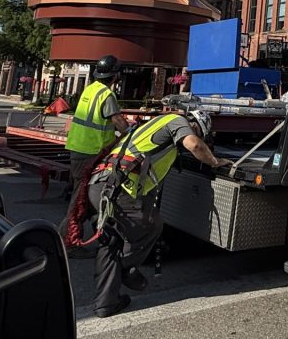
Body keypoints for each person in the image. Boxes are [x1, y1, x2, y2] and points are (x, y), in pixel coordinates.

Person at [87, 109, 230, 318]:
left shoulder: (152, 128)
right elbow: (195, 145)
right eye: (199, 132)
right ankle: (125, 269)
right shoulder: (177, 121)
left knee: (112, 241)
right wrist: (215, 161)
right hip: (116, 189)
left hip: (100, 185)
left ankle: (106, 302)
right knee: (151, 224)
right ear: (196, 125)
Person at [60, 55, 129, 250]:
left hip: (78, 148)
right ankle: (68, 242)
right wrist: (131, 132)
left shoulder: (90, 89)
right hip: (90, 152)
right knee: (80, 198)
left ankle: (69, 237)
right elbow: (117, 121)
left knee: (82, 195)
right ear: (115, 76)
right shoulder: (107, 95)